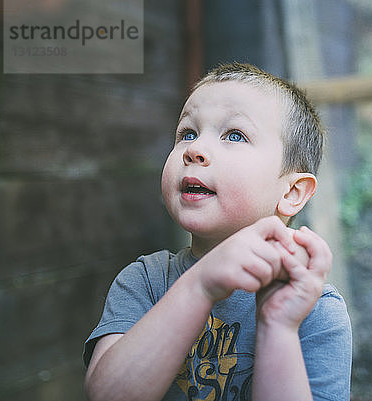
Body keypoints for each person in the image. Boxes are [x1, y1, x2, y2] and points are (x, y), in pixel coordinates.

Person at [83, 62, 352, 401]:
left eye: (234, 135)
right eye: (188, 133)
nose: (194, 150)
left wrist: (279, 327)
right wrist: (199, 284)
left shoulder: (315, 310)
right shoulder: (146, 281)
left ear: (291, 192)